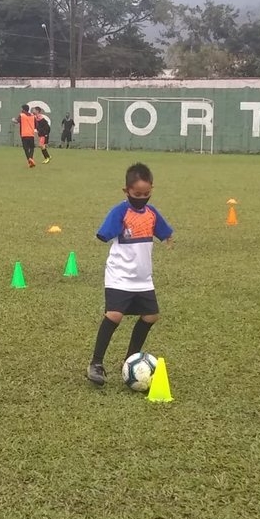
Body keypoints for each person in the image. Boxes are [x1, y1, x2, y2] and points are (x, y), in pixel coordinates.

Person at [87, 163, 174, 386]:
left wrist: (167, 237)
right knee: (114, 315)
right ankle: (96, 363)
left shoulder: (151, 213)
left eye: (147, 194)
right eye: (137, 194)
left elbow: (163, 229)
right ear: (126, 191)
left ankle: (130, 358)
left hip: (143, 279)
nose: (142, 198)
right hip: (119, 276)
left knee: (150, 316)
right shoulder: (120, 211)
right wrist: (108, 232)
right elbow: (103, 233)